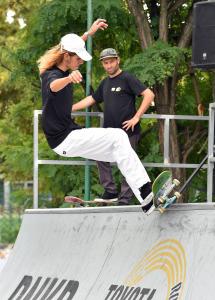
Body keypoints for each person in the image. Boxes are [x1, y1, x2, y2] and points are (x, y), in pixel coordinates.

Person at [37, 19, 154, 213]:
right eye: (78, 59)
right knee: (117, 136)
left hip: (69, 136)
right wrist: (68, 79)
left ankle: (138, 197)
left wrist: (88, 33)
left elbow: (71, 48)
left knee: (121, 151)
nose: (80, 63)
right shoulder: (52, 76)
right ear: (66, 56)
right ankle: (145, 191)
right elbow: (53, 86)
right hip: (65, 139)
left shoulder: (64, 60)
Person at [72, 48, 154, 205]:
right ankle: (110, 191)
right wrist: (71, 108)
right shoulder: (105, 83)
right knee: (97, 153)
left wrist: (137, 117)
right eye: (105, 63)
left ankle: (124, 200)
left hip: (127, 132)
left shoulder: (127, 78)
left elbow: (149, 95)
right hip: (109, 134)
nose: (108, 65)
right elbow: (91, 99)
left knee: (127, 165)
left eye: (111, 62)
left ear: (118, 60)